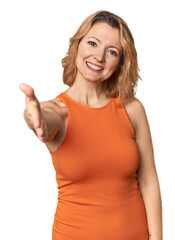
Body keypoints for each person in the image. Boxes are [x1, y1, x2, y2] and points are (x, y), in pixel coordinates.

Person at [19, 10, 163, 240]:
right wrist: (35, 119)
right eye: (93, 43)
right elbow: (43, 118)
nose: (99, 57)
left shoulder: (132, 109)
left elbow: (148, 181)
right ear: (77, 45)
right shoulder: (59, 112)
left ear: (120, 63)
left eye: (112, 52)